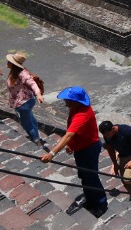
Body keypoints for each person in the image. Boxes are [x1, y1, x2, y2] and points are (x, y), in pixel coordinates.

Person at [42, 87, 108, 217]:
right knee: (83, 175)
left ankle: (101, 203)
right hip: (81, 147)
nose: (65, 101)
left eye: (68, 99)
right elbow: (73, 133)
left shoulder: (82, 115)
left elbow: (68, 135)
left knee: (91, 177)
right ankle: (89, 197)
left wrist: (52, 153)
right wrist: (71, 145)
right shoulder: (75, 108)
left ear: (75, 101)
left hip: (89, 149)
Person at [5, 52, 46, 149]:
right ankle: (36, 135)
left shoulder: (21, 74)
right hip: (25, 101)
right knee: (30, 118)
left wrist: (38, 94)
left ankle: (36, 140)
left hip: (23, 103)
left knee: (26, 123)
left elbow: (32, 83)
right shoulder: (15, 72)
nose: (7, 62)